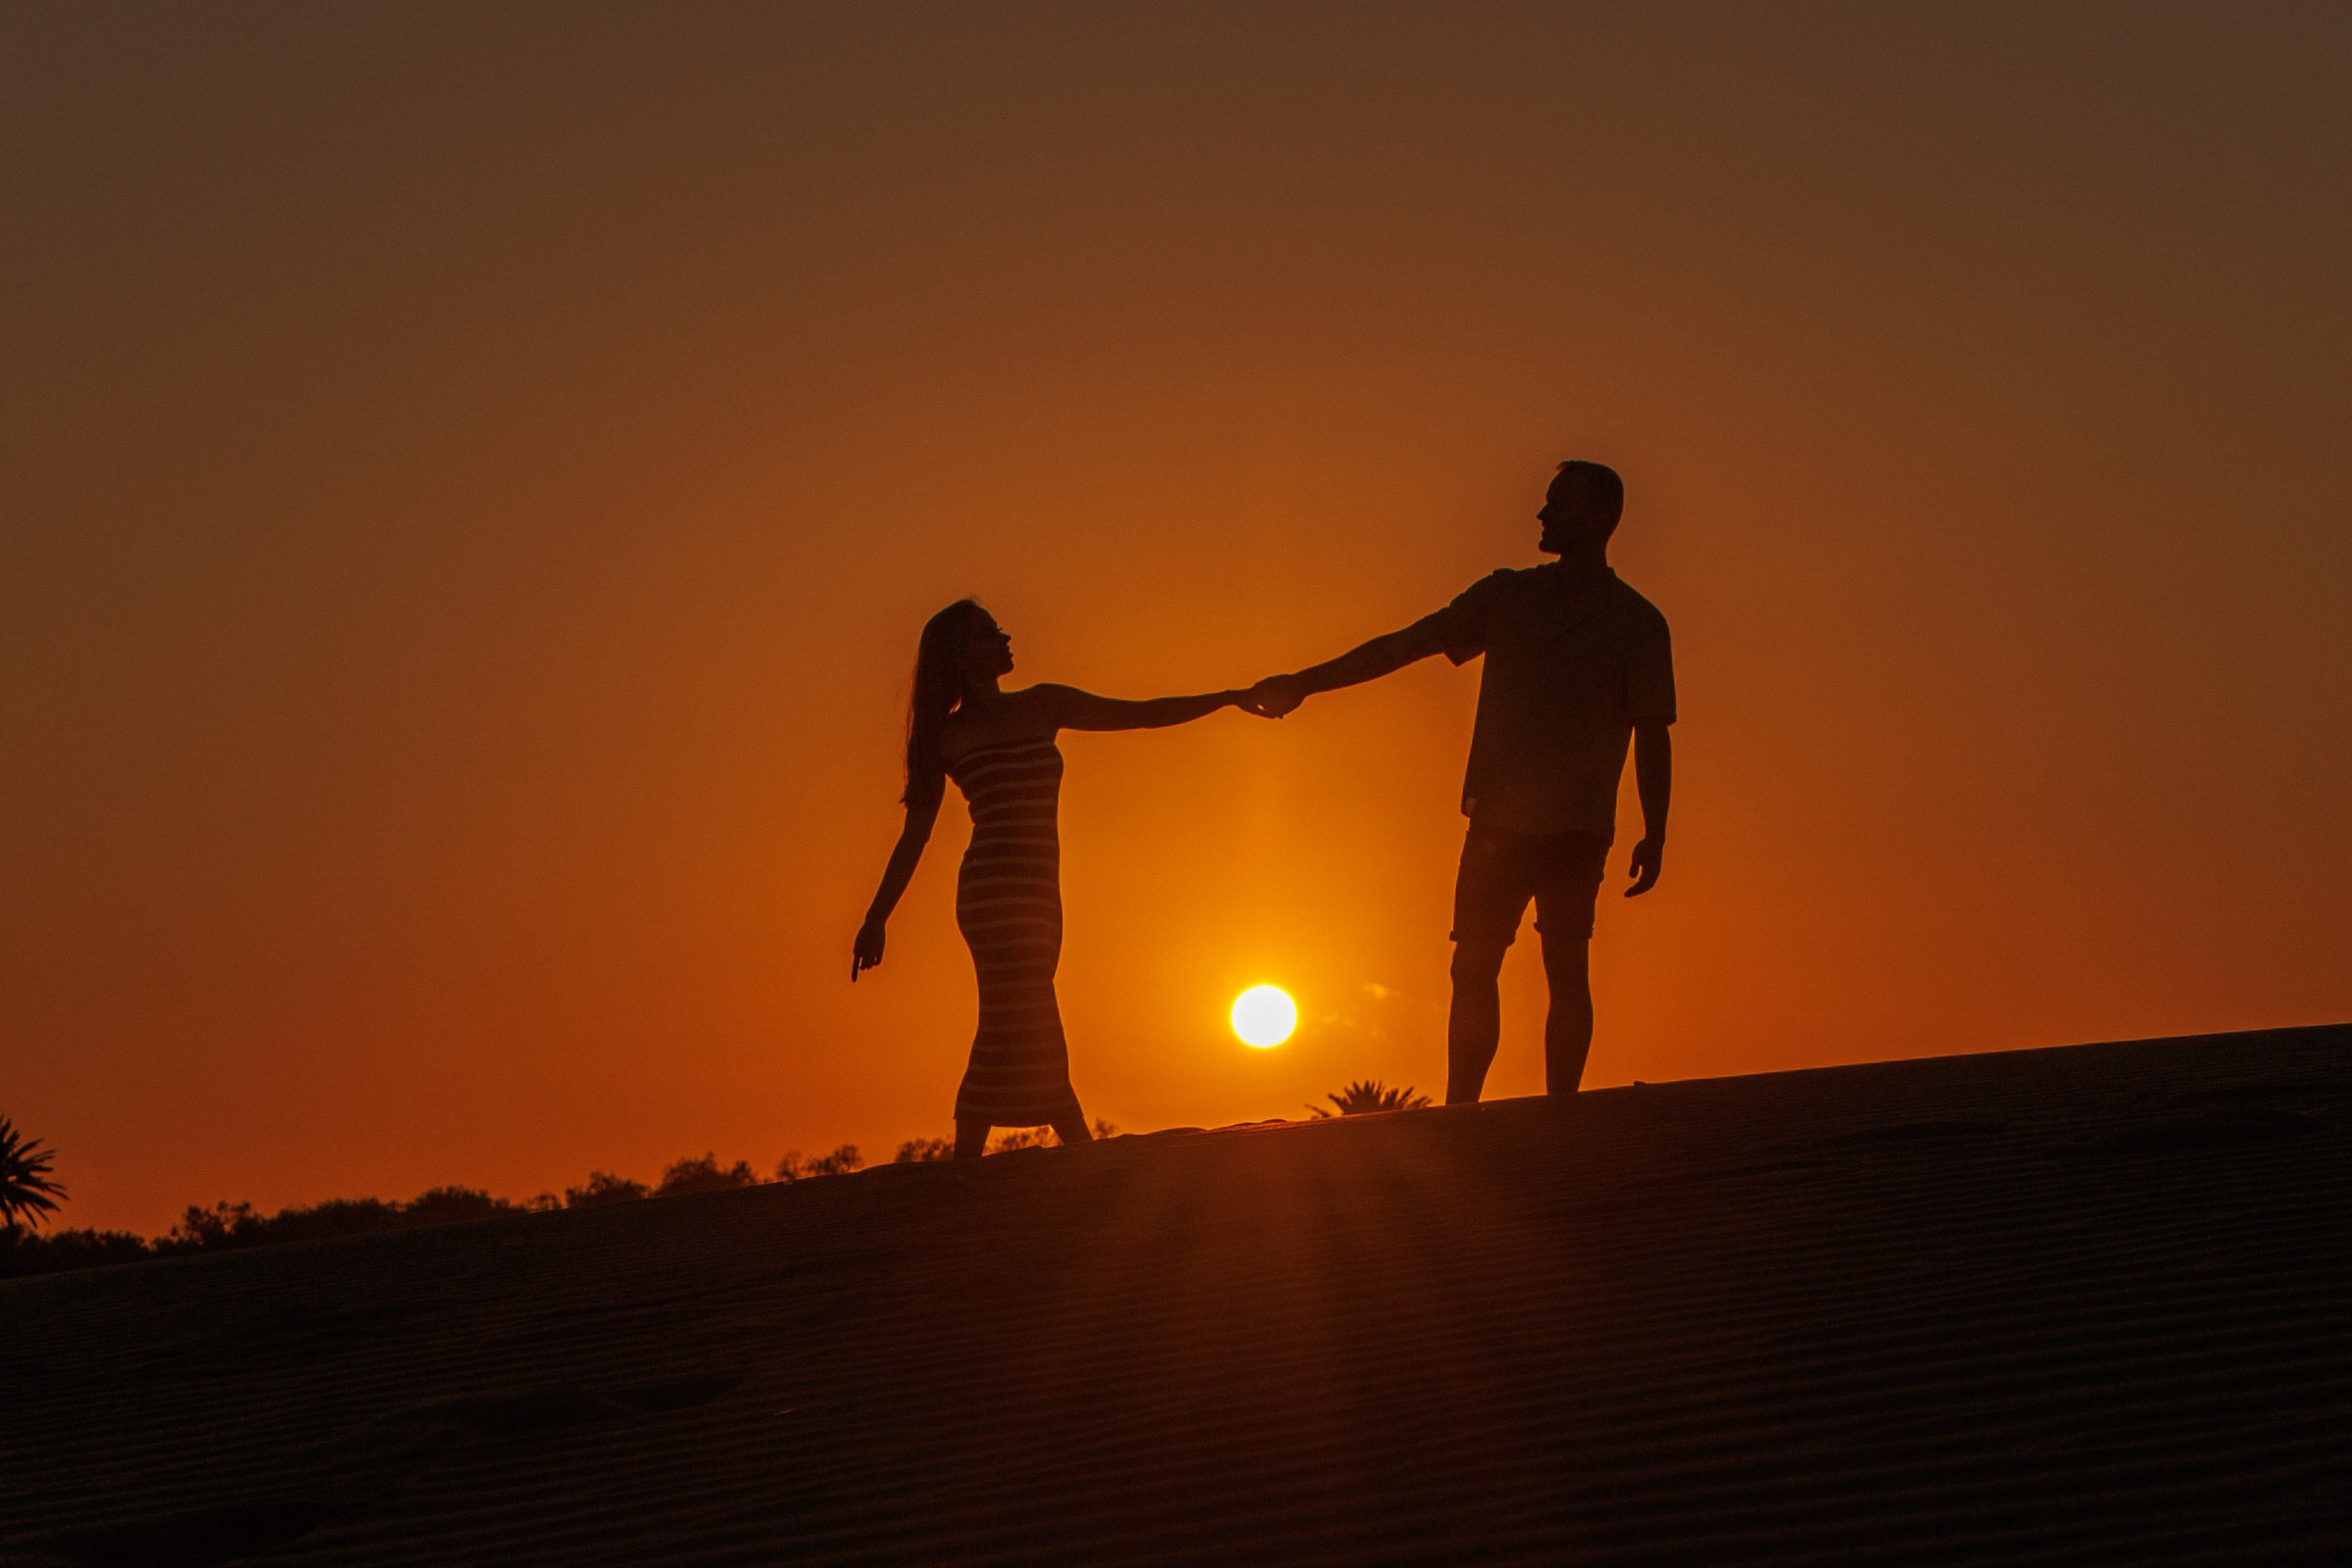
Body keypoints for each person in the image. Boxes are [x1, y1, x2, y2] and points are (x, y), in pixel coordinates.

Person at [1250, 460, 1675, 1102]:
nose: (1541, 514)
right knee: (1474, 964)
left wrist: (1657, 831)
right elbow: (1407, 644)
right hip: (1498, 820)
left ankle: (1562, 1109)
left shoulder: (1638, 623)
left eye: (1557, 504)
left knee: (1565, 964)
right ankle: (1462, 1110)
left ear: (1596, 518)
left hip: (1577, 827)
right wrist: (1304, 683)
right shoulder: (1507, 598)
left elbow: (1653, 732)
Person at [854, 600, 1254, 1158]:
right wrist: (876, 918)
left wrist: (1227, 698)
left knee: (1012, 1013)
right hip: (994, 889)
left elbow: (1141, 712)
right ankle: (1074, 1147)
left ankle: (974, 1155)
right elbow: (914, 835)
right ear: (963, 657)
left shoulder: (1045, 704)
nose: (1005, 637)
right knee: (1027, 1010)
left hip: (1040, 889)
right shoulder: (946, 736)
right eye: (989, 634)